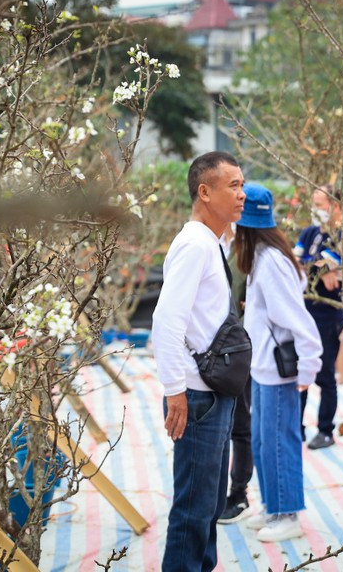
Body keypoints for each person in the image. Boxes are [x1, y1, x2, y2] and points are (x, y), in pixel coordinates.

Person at [151, 151, 246, 572]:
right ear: (205, 192)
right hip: (196, 395)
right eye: (233, 186)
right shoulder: (194, 245)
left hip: (212, 392)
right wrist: (175, 390)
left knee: (206, 503)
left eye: (242, 185)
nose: (242, 194)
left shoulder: (213, 242)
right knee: (192, 509)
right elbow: (166, 320)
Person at [234, 183, 323, 542]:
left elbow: (297, 319)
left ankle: (287, 513)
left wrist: (309, 365)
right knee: (261, 442)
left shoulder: (270, 261)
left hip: (277, 370)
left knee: (277, 441)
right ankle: (274, 505)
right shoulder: (263, 256)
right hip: (263, 366)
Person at [294, 184, 343, 449]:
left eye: (320, 204)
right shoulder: (308, 233)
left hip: (327, 314)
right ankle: (295, 427)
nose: (315, 210)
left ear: (336, 207)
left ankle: (325, 430)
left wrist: (316, 266)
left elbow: (322, 269)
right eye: (314, 203)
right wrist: (315, 264)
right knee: (299, 372)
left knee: (325, 374)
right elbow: (296, 262)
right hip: (303, 311)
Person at [217, 223, 254, 524]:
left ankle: (238, 492)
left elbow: (242, 302)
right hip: (217, 351)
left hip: (237, 351)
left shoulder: (244, 254)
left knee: (240, 425)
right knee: (224, 426)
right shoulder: (216, 247)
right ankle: (223, 493)